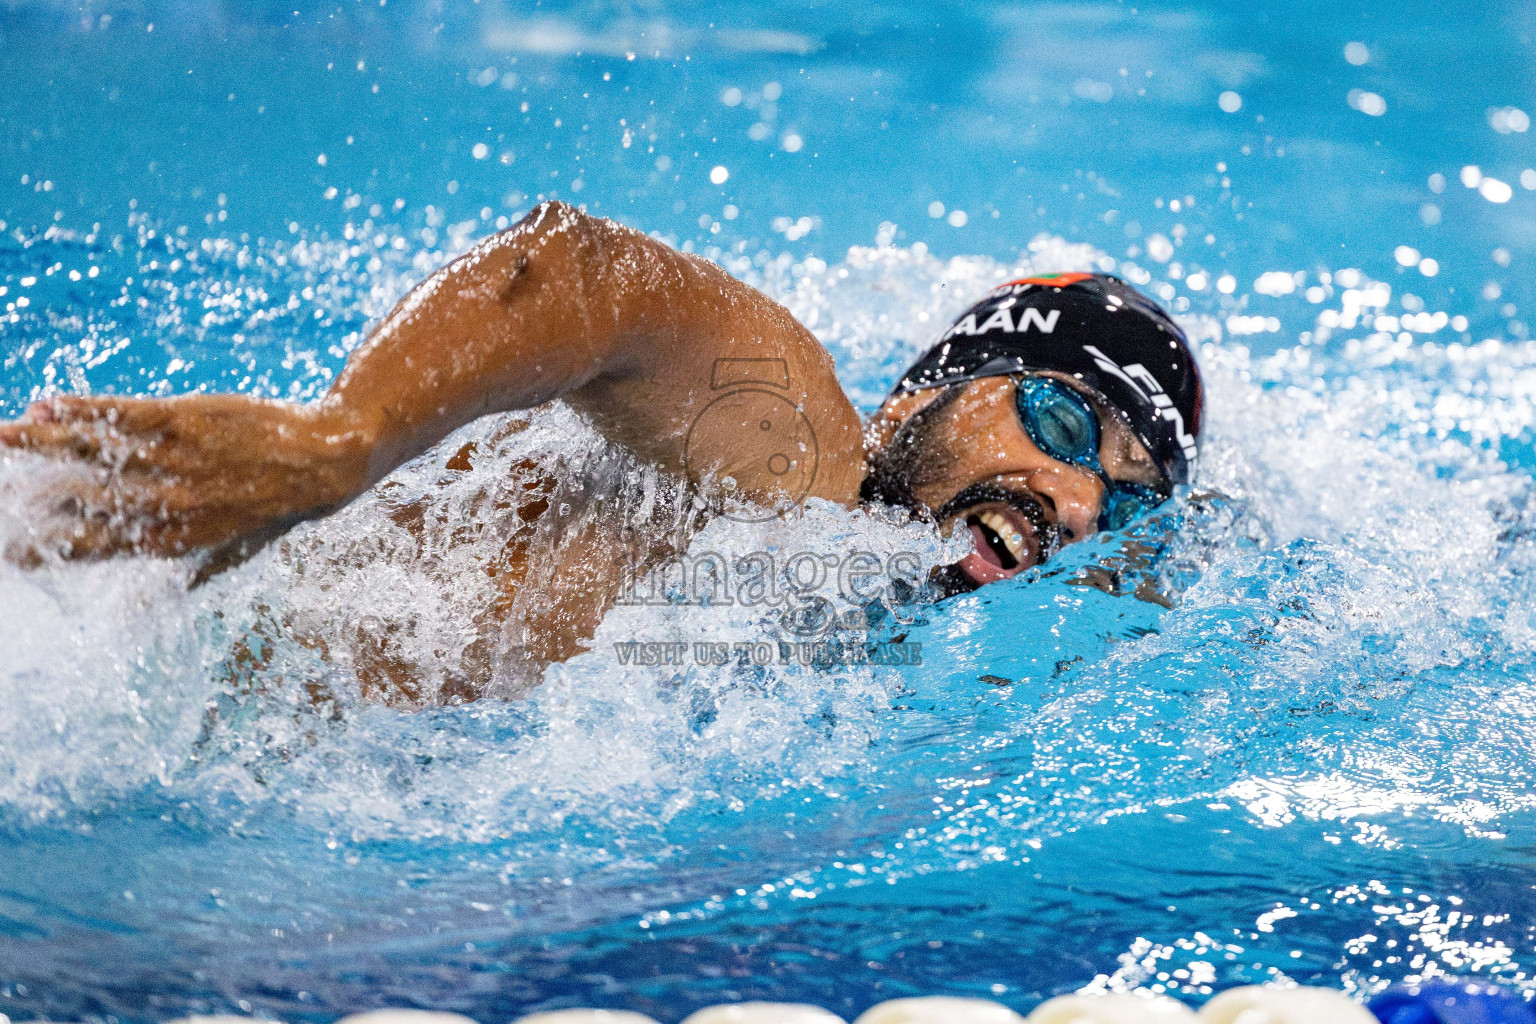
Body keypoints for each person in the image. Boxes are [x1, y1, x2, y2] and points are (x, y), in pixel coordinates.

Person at [0, 201, 1203, 699]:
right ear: (928, 396)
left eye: (1122, 497)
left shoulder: (875, 606)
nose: (1076, 499)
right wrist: (338, 445)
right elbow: (581, 268)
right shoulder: (808, 451)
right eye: (1057, 424)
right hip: (97, 655)